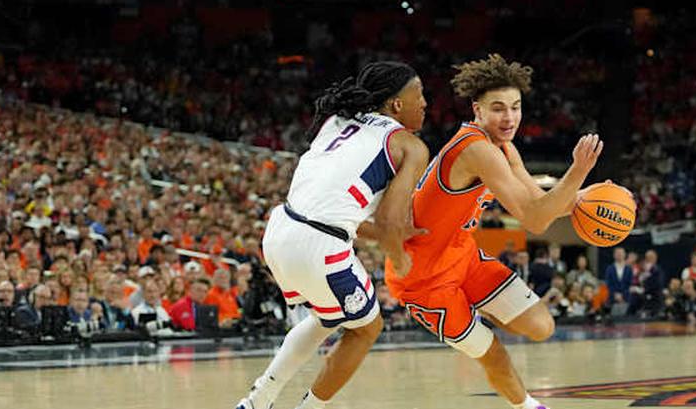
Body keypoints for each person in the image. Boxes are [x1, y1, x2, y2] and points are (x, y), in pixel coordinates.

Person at [385, 54, 603, 409]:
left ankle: (479, 311)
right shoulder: (475, 150)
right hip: (422, 276)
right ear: (478, 110)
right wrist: (578, 171)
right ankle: (528, 406)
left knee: (541, 326)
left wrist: (586, 199)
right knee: (494, 354)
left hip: (461, 255)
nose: (510, 117)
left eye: (515, 108)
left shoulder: (503, 147)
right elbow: (535, 220)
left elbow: (539, 201)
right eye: (498, 108)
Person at [237, 61, 430, 409]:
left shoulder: (337, 119)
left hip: (282, 229)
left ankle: (255, 402)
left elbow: (340, 212)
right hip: (319, 245)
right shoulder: (410, 146)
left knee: (328, 317)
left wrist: (395, 235)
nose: (426, 104)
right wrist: (401, 258)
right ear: (397, 105)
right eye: (421, 96)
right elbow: (387, 226)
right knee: (366, 329)